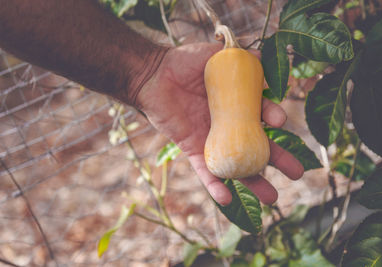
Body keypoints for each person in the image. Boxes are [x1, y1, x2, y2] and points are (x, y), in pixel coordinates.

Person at [0, 0, 304, 206]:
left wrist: (146, 69)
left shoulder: (229, 64)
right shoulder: (226, 65)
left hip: (228, 150)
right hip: (241, 150)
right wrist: (143, 70)